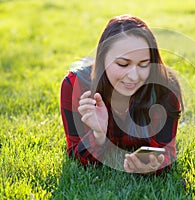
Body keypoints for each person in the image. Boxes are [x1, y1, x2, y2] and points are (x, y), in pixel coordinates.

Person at [60, 14, 183, 174]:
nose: (134, 76)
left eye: (143, 64)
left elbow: (166, 154)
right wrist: (98, 135)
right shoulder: (75, 86)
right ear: (102, 58)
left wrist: (153, 167)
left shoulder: (164, 89)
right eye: (123, 64)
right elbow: (76, 155)